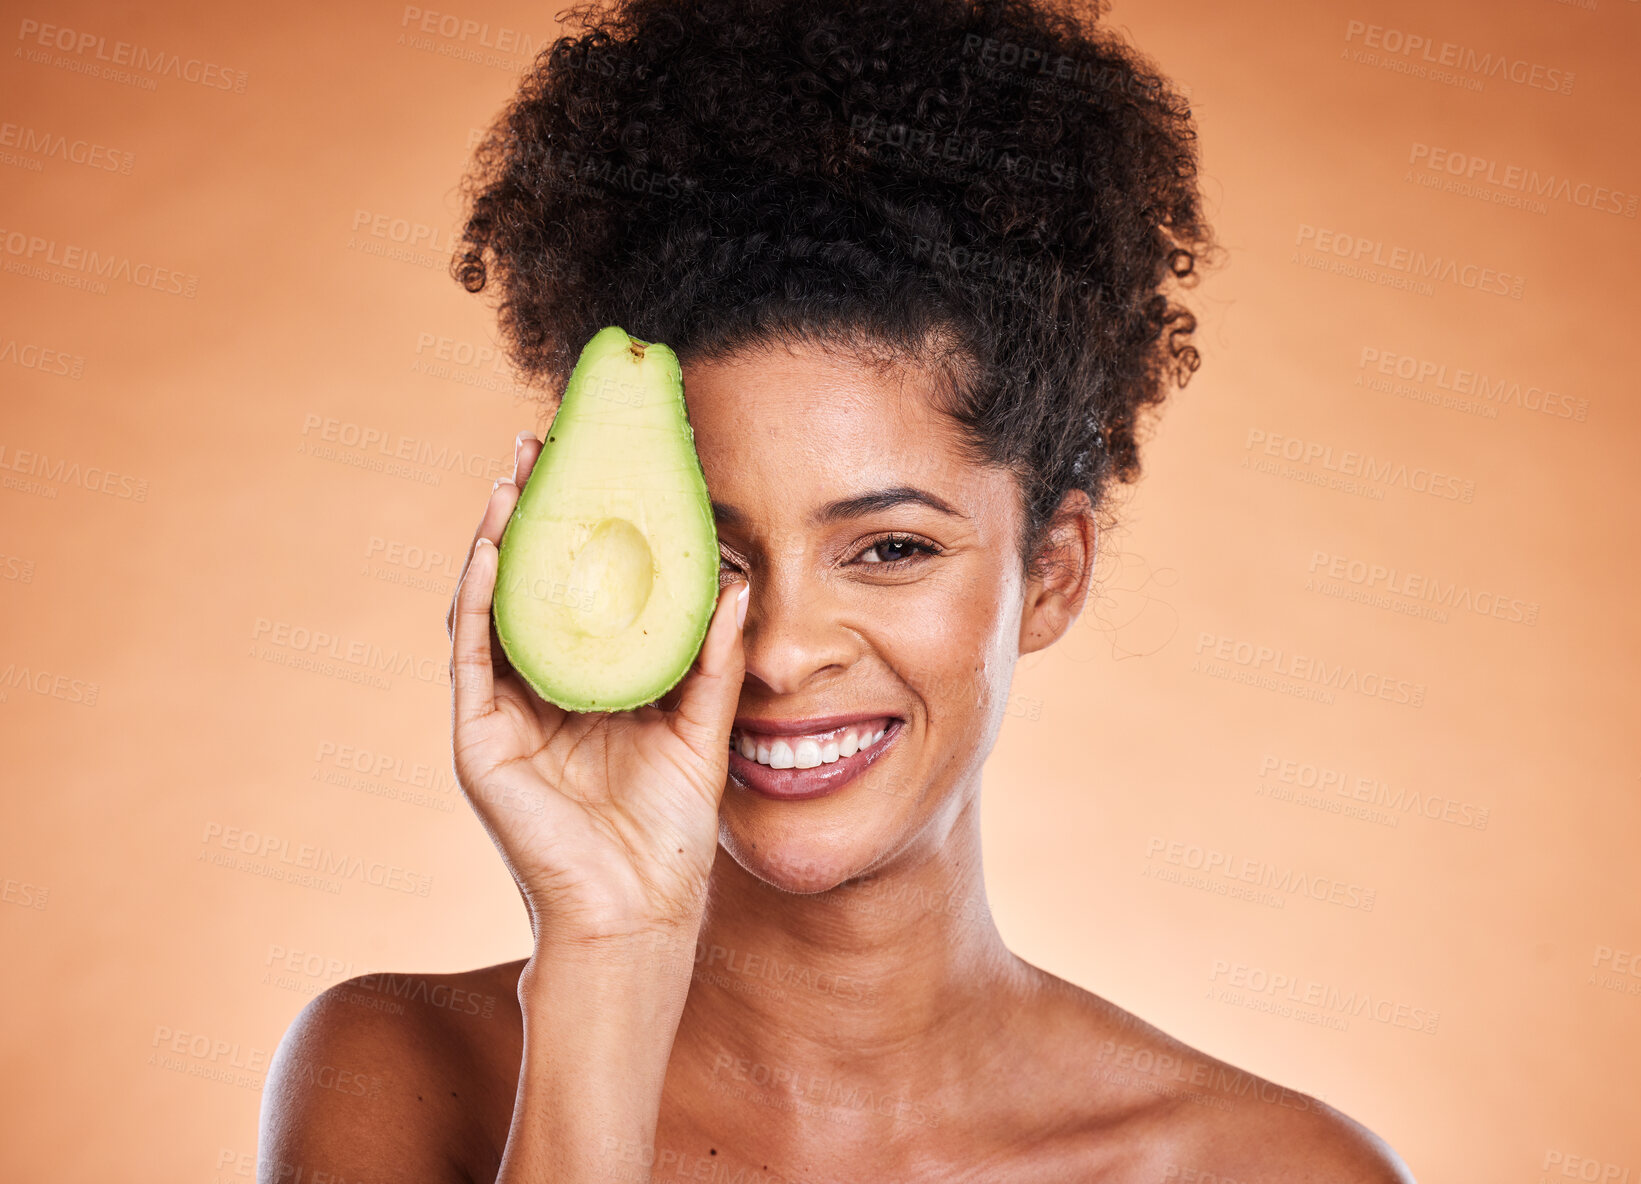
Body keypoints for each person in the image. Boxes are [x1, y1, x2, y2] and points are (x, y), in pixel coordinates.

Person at [260, 0, 1415, 1178]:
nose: (778, 652)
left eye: (891, 548)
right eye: (715, 558)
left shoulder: (1268, 1164)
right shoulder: (395, 1071)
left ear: (1051, 573)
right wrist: (608, 953)